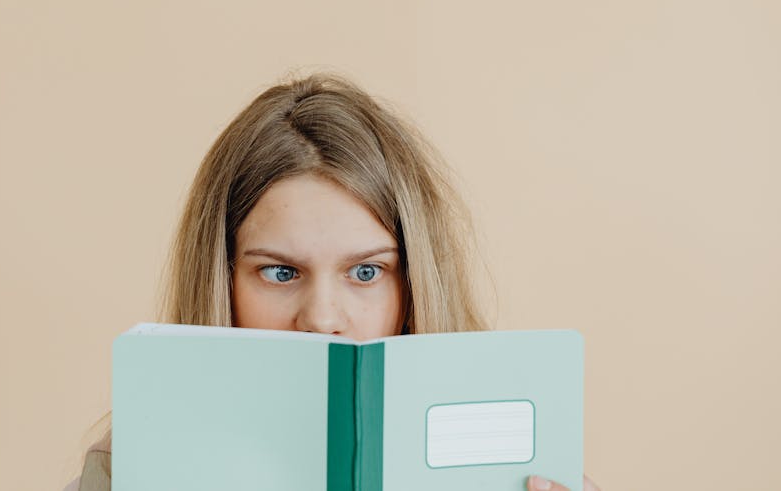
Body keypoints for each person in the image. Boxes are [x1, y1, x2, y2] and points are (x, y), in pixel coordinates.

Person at [65, 72, 600, 491]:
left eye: (366, 272)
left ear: (414, 285)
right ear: (220, 279)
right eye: (279, 272)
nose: (321, 319)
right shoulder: (128, 470)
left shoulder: (506, 458)